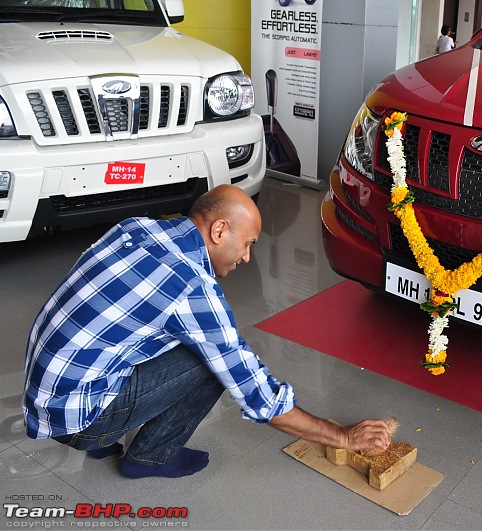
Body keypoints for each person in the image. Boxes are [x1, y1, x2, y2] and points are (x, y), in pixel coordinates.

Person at [22, 184, 391, 479]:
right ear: (219, 230)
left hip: (47, 394)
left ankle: (98, 432)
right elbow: (255, 392)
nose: (246, 258)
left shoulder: (136, 227)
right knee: (212, 361)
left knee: (153, 332)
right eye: (247, 244)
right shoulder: (190, 287)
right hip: (78, 419)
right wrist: (342, 436)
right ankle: (149, 457)